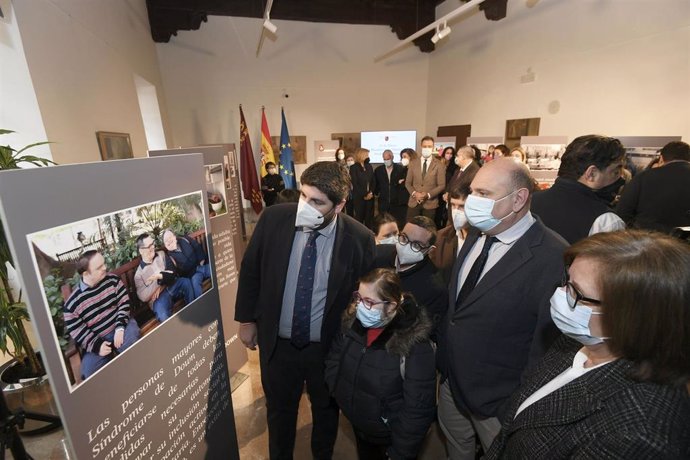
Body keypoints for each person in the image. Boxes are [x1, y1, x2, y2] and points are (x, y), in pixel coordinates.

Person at [486, 230, 690, 459]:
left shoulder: (637, 434)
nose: (560, 295)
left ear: (632, 318)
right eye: (566, 281)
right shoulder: (580, 337)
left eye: (577, 293)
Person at [234, 161, 375, 460]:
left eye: (316, 202)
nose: (305, 206)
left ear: (339, 205)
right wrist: (246, 319)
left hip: (325, 348)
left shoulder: (360, 239)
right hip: (278, 344)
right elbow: (250, 271)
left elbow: (362, 296)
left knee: (325, 413)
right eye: (303, 196)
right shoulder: (273, 218)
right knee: (279, 412)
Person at [438, 158, 567, 460]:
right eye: (472, 191)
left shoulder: (553, 256)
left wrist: (515, 405)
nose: (472, 202)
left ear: (519, 199)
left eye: (484, 194)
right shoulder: (477, 232)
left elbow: (546, 346)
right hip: (452, 384)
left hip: (498, 402)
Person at [325, 268, 436, 460]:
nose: (360, 306)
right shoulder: (352, 321)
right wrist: (338, 390)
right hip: (359, 426)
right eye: (359, 298)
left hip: (390, 437)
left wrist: (400, 453)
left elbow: (418, 411)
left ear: (391, 307)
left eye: (369, 302)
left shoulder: (415, 346)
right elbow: (334, 357)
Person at [531, 135, 626, 244]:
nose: (620, 178)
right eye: (615, 172)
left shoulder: (530, 200)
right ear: (592, 174)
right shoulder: (606, 221)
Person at [63, 250, 140, 379]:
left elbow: (124, 302)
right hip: (97, 340)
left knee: (134, 351)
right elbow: (78, 331)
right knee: (90, 374)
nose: (105, 268)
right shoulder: (72, 305)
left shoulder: (113, 280)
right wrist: (97, 345)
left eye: (104, 264)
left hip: (121, 328)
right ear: (86, 273)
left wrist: (120, 327)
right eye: (99, 267)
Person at [374, 216, 447, 342]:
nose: (406, 245)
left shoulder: (434, 288)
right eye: (404, 238)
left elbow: (423, 334)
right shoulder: (377, 255)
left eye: (417, 245)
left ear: (429, 250)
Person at [616, 140, 690, 233]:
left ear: (661, 158)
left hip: (648, 240)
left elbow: (623, 212)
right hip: (685, 242)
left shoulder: (643, 177)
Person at [134, 233, 194, 323]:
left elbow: (173, 272)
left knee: (186, 282)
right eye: (149, 246)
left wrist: (161, 280)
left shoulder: (161, 254)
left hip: (172, 286)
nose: (153, 247)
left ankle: (193, 314)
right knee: (163, 314)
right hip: (158, 300)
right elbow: (143, 296)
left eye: (153, 243)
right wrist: (159, 281)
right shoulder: (139, 275)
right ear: (141, 251)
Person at [429, 181, 472, 283]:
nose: (456, 211)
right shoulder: (441, 236)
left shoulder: (483, 238)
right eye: (453, 205)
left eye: (462, 206)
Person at [405, 136, 446, 221]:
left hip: (430, 204)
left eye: (429, 146)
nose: (427, 148)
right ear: (421, 146)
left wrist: (427, 195)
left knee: (427, 230)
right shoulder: (413, 163)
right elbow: (408, 183)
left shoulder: (439, 164)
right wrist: (415, 194)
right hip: (413, 202)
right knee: (410, 228)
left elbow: (441, 185)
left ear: (433, 147)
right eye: (424, 146)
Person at [162, 229, 210, 299]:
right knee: (196, 288)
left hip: (202, 266)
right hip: (193, 276)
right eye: (166, 240)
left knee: (217, 268)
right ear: (165, 245)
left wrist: (201, 260)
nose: (169, 240)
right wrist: (161, 276)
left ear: (174, 236)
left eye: (170, 237)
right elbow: (171, 271)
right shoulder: (169, 257)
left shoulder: (184, 239)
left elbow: (196, 245)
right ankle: (202, 307)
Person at [374, 149, 408, 225]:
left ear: (392, 157)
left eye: (388, 159)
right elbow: (376, 184)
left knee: (397, 222)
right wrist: (377, 192)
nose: (386, 161)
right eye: (384, 159)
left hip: (397, 202)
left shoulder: (400, 169)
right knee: (383, 222)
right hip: (383, 202)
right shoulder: (378, 170)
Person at [350, 148, 376, 229]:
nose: (368, 156)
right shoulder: (354, 167)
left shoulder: (369, 166)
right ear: (361, 155)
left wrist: (371, 193)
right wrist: (364, 195)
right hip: (359, 198)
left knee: (369, 218)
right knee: (359, 218)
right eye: (366, 154)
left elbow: (373, 181)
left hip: (370, 197)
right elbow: (355, 183)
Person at [435, 146, 458, 229]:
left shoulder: (455, 166)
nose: (449, 155)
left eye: (451, 153)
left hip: (448, 192)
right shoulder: (438, 163)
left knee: (446, 214)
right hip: (437, 192)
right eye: (447, 153)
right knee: (437, 213)